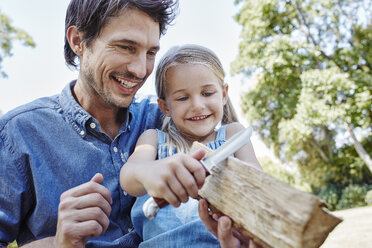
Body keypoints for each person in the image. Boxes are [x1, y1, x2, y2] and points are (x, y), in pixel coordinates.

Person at [0, 1, 254, 247]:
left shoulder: (170, 120)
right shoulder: (18, 133)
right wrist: (57, 243)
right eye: (125, 47)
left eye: (151, 52)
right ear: (78, 41)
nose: (140, 69)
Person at [120, 44, 262, 247]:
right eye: (183, 98)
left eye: (207, 93)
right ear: (165, 106)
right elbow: (129, 176)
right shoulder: (153, 139)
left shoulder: (233, 134)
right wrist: (149, 173)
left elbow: (257, 181)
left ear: (223, 95)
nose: (197, 105)